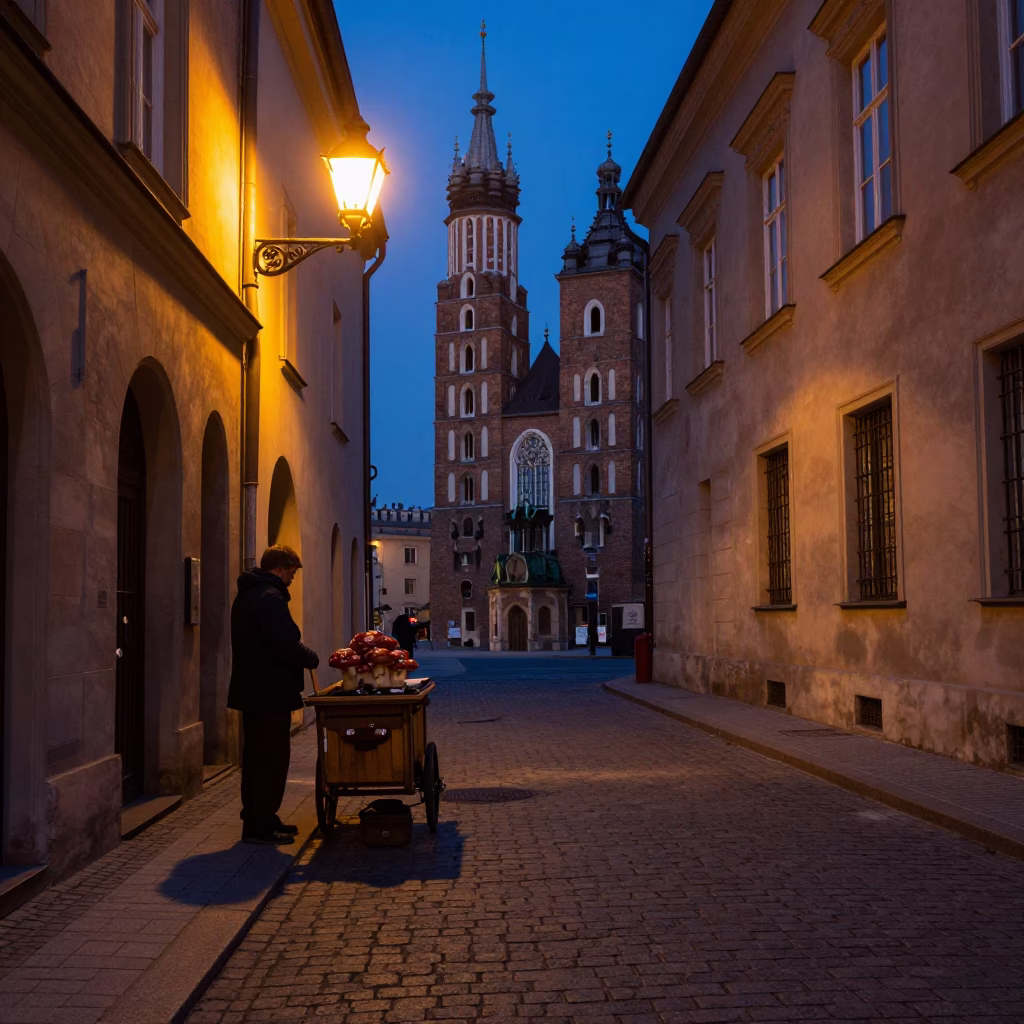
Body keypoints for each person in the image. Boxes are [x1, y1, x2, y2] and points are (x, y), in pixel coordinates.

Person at [228, 545, 319, 845]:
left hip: (254, 691)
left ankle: (260, 817)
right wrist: (309, 656)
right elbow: (284, 644)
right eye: (292, 571)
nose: (293, 578)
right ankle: (260, 826)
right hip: (269, 692)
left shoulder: (249, 594)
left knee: (256, 758)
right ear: (280, 567)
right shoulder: (269, 597)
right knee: (270, 760)